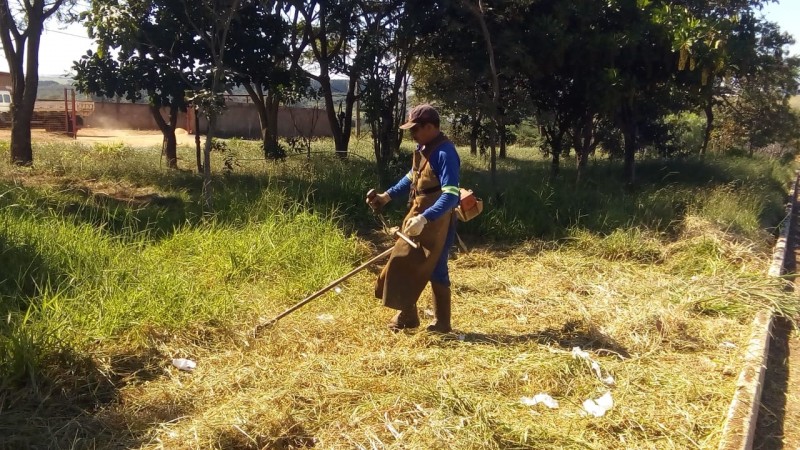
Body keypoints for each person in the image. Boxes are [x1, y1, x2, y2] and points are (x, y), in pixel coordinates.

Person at [367, 104, 461, 333]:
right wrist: (386, 196)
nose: (412, 135)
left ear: (430, 127)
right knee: (402, 260)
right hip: (418, 214)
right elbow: (412, 177)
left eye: (415, 129)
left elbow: (451, 195)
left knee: (436, 267)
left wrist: (425, 219)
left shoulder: (445, 153)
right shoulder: (424, 148)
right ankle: (408, 315)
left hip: (438, 220)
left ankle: (442, 323)